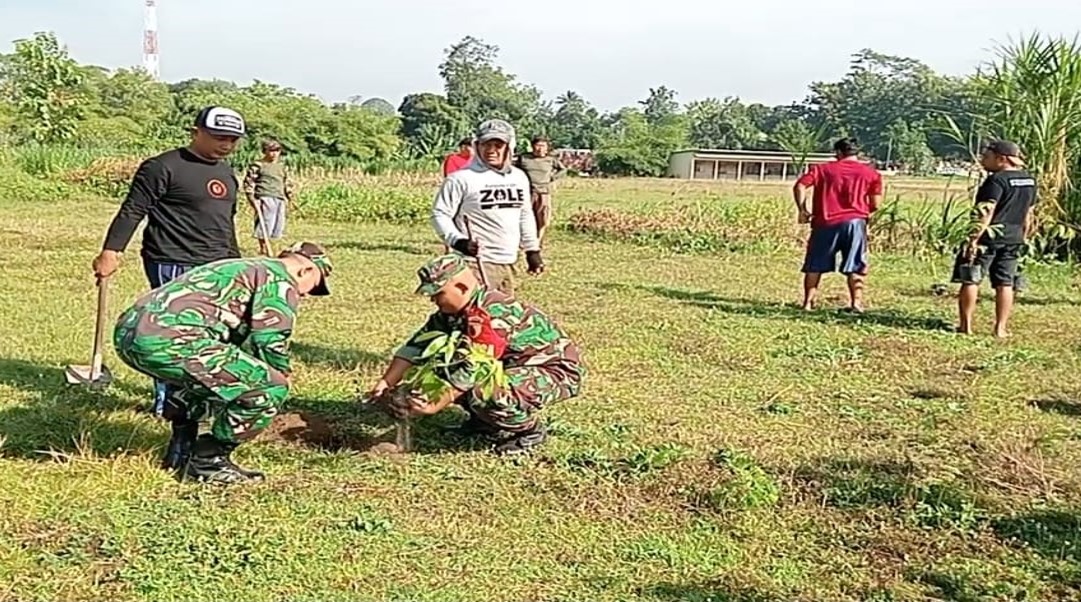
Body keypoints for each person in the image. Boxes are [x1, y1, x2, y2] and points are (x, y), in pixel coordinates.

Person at [112, 242, 333, 483]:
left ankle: (181, 452)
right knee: (269, 386)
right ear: (306, 271)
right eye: (313, 287)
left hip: (130, 336)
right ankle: (209, 462)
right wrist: (280, 372)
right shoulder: (279, 279)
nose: (305, 295)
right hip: (170, 339)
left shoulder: (243, 266)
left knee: (207, 380)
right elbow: (268, 339)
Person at [92, 106, 247, 418]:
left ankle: (204, 398)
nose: (226, 145)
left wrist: (237, 264)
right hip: (173, 260)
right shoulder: (162, 167)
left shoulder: (227, 174)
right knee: (172, 335)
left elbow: (226, 223)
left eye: (233, 139)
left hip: (217, 264)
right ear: (195, 132)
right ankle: (169, 405)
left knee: (214, 334)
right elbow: (133, 210)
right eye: (219, 137)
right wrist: (112, 251)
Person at [368, 254, 584, 455]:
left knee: (485, 391)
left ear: (462, 287)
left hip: (551, 371)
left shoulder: (492, 312)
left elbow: (477, 366)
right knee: (444, 369)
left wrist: (436, 403)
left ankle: (529, 432)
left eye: (437, 294)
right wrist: (386, 382)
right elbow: (415, 347)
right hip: (507, 367)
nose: (433, 300)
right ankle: (485, 424)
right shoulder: (449, 314)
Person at [431, 119, 544, 295]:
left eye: (498, 145)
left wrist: (532, 250)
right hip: (475, 262)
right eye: (486, 144)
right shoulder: (461, 179)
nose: (491, 150)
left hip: (508, 260)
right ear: (477, 146)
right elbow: (440, 213)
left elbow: (524, 214)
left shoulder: (519, 177)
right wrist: (457, 241)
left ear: (509, 147)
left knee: (503, 316)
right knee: (477, 318)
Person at [951, 140, 1037, 338]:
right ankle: (1000, 328)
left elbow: (986, 211)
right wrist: (1024, 236)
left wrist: (973, 239)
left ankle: (966, 326)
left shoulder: (996, 181)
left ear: (1001, 159)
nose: (982, 160)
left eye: (987, 157)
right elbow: (1028, 213)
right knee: (1005, 283)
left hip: (989, 237)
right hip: (1014, 237)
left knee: (972, 278)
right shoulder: (1029, 180)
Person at [793, 138, 883, 312]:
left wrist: (802, 209)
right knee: (856, 263)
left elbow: (800, 186)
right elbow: (876, 204)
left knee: (814, 263)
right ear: (857, 153)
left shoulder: (821, 170)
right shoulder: (871, 174)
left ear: (838, 153)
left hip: (825, 222)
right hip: (855, 223)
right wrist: (861, 211)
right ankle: (856, 304)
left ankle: (808, 303)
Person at [244, 139, 295, 256]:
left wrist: (289, 195)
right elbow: (249, 182)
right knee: (265, 223)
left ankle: (271, 246)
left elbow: (286, 181)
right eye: (271, 150)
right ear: (265, 151)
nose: (274, 153)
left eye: (277, 150)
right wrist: (252, 199)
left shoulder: (281, 166)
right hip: (264, 196)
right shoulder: (258, 165)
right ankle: (263, 248)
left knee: (277, 224)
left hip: (279, 197)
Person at [515, 135, 567, 245]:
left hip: (544, 192)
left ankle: (538, 240)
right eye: (537, 145)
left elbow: (562, 170)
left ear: (547, 148)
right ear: (532, 146)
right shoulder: (524, 158)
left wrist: (552, 178)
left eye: (543, 146)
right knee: (525, 216)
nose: (540, 148)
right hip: (527, 193)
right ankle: (524, 240)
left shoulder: (551, 160)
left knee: (543, 218)